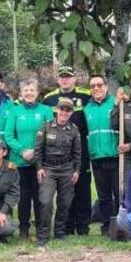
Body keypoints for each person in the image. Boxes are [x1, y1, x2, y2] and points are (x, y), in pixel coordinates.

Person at [42, 67, 93, 236]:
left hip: (81, 148)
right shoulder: (49, 99)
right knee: (66, 191)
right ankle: (68, 226)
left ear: (74, 79)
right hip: (58, 151)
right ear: (58, 80)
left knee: (83, 189)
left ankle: (84, 227)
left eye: (68, 77)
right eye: (62, 77)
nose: (65, 80)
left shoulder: (86, 95)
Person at [4, 78, 54, 239]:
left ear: (37, 93)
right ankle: (24, 228)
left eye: (32, 90)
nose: (29, 93)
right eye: (26, 91)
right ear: (21, 94)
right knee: (23, 197)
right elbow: (9, 135)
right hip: (20, 161)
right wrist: (22, 151)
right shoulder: (15, 111)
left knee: (40, 196)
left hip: (40, 162)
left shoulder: (46, 110)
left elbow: (52, 134)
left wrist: (37, 152)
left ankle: (41, 227)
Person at [35, 97, 82, 247]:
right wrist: (39, 168)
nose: (64, 112)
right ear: (57, 110)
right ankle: (43, 234)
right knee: (46, 201)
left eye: (68, 110)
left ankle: (60, 232)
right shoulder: (46, 127)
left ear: (71, 112)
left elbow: (77, 152)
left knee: (65, 202)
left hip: (66, 169)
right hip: (48, 168)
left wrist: (77, 171)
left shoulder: (74, 130)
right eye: (62, 109)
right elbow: (38, 150)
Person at [84, 75, 120, 235]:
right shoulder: (87, 109)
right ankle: (106, 227)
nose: (96, 88)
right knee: (103, 196)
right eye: (93, 86)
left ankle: (121, 226)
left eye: (99, 85)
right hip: (97, 158)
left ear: (106, 86)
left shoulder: (117, 103)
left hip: (115, 156)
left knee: (120, 194)